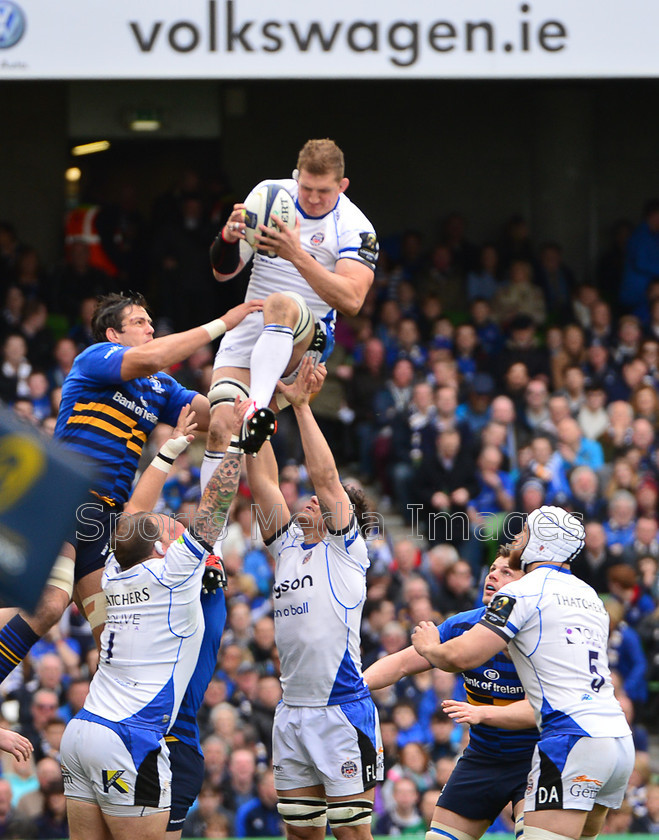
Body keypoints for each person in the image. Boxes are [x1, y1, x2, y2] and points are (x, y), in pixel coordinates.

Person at [0, 291, 260, 688]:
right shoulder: (96, 359)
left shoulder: (161, 388)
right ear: (113, 334)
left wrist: (257, 390)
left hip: (103, 523)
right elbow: (153, 356)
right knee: (51, 604)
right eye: (139, 322)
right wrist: (223, 323)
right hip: (65, 503)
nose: (150, 328)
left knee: (111, 641)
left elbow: (218, 420)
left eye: (150, 322)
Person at [59, 401, 247, 840]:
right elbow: (214, 509)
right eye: (170, 526)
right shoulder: (172, 575)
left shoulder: (114, 572)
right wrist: (237, 442)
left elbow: (130, 519)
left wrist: (169, 451)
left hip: (83, 731)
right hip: (130, 739)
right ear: (163, 548)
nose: (177, 526)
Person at [411, 506, 635, 840]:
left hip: (572, 737)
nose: (516, 538)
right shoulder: (589, 594)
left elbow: (463, 654)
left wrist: (429, 647)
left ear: (542, 544)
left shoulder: (521, 591)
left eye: (524, 533)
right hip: (617, 740)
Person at [247, 357, 383, 840]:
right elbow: (262, 482)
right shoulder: (286, 546)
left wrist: (302, 407)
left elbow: (327, 481)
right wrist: (258, 409)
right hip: (291, 710)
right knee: (301, 834)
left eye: (322, 501)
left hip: (341, 710)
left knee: (351, 835)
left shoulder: (348, 550)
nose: (311, 498)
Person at [203, 138, 379, 469]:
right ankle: (213, 523)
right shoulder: (270, 196)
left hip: (308, 338)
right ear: (297, 176)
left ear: (342, 185)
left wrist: (296, 254)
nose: (312, 198)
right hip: (252, 328)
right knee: (221, 428)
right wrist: (227, 237)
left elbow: (353, 300)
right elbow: (223, 273)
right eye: (307, 187)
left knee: (280, 303)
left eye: (324, 191)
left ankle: (257, 407)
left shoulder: (355, 227)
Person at [363, 553, 537, 840]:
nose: (492, 575)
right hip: (483, 756)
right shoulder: (463, 626)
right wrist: (352, 688)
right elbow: (402, 663)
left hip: (537, 758)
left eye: (506, 572)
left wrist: (482, 714)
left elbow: (548, 706)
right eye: (492, 569)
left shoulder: (543, 635)